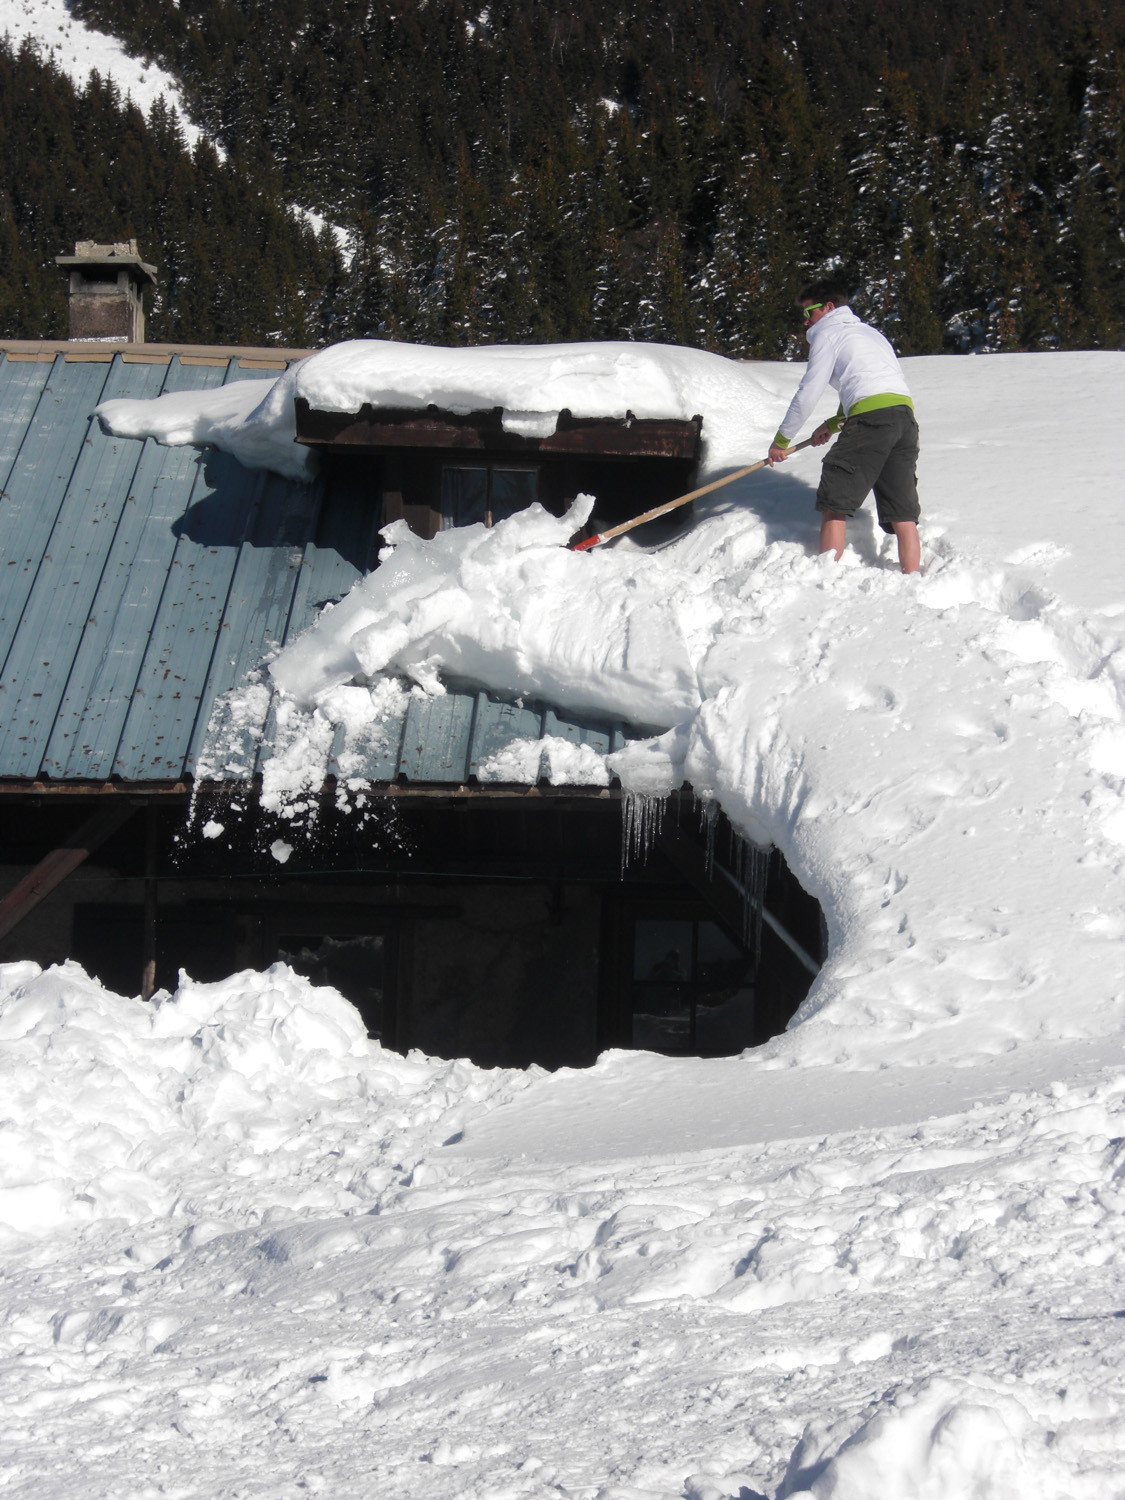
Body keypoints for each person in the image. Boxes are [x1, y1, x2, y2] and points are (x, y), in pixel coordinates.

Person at [767, 279, 921, 574]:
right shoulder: (871, 334)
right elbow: (868, 387)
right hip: (904, 419)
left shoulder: (828, 334)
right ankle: (912, 578)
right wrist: (833, 423)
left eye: (809, 312)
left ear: (828, 307)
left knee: (834, 502)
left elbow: (809, 392)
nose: (805, 321)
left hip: (871, 421)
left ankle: (827, 576)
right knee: (902, 512)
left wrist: (781, 441)